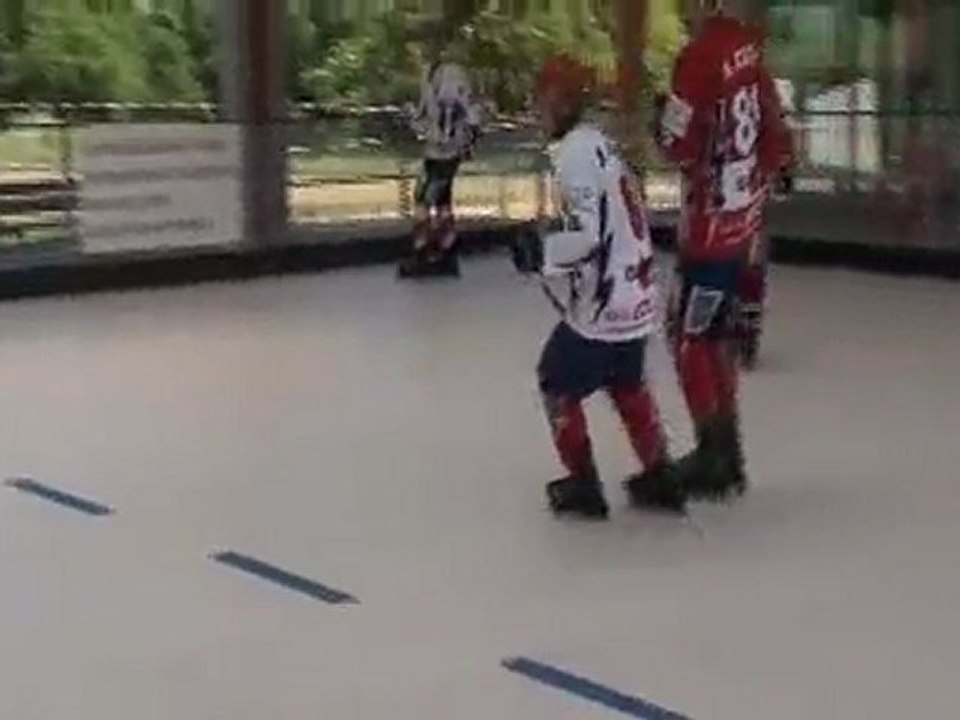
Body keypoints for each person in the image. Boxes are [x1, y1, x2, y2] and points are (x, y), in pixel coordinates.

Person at [513, 54, 688, 520]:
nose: (536, 108)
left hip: (604, 305)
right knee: (627, 380)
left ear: (558, 100)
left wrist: (544, 253)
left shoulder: (571, 156)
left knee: (554, 379)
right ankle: (660, 473)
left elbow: (589, 236)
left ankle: (583, 484)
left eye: (542, 98)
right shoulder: (600, 145)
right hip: (637, 296)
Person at [656, 0, 790, 500]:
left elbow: (678, 143)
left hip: (708, 225)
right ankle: (729, 450)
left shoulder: (698, 58)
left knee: (688, 335)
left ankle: (712, 452)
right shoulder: (751, 54)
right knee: (718, 334)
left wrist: (660, 126)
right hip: (742, 221)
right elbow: (777, 140)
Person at [398, 33, 481, 279]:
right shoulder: (430, 74)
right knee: (438, 198)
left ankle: (430, 248)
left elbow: (460, 109)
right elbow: (428, 111)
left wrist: (463, 140)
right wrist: (417, 121)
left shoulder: (450, 75)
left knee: (427, 196)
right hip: (436, 147)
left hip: (446, 148)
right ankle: (440, 247)